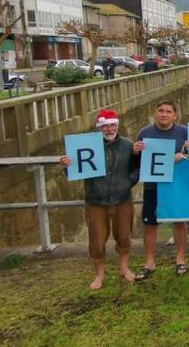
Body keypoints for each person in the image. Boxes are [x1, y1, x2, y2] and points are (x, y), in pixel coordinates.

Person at [60, 109, 139, 290]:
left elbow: (136, 168)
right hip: (96, 201)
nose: (109, 129)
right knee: (96, 240)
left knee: (124, 235)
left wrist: (128, 182)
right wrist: (66, 166)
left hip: (122, 199)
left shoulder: (128, 145)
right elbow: (75, 170)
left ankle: (124, 268)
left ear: (117, 125)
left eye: (112, 125)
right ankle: (99, 274)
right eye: (105, 126)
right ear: (99, 127)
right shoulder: (87, 145)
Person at [134, 101, 189, 280]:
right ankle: (149, 262)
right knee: (150, 224)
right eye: (161, 111)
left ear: (175, 115)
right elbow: (138, 162)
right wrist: (135, 151)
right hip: (153, 185)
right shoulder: (145, 133)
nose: (164, 114)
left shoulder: (184, 132)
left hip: (176, 185)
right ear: (155, 113)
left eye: (168, 111)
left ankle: (180, 259)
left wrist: (188, 152)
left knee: (179, 222)